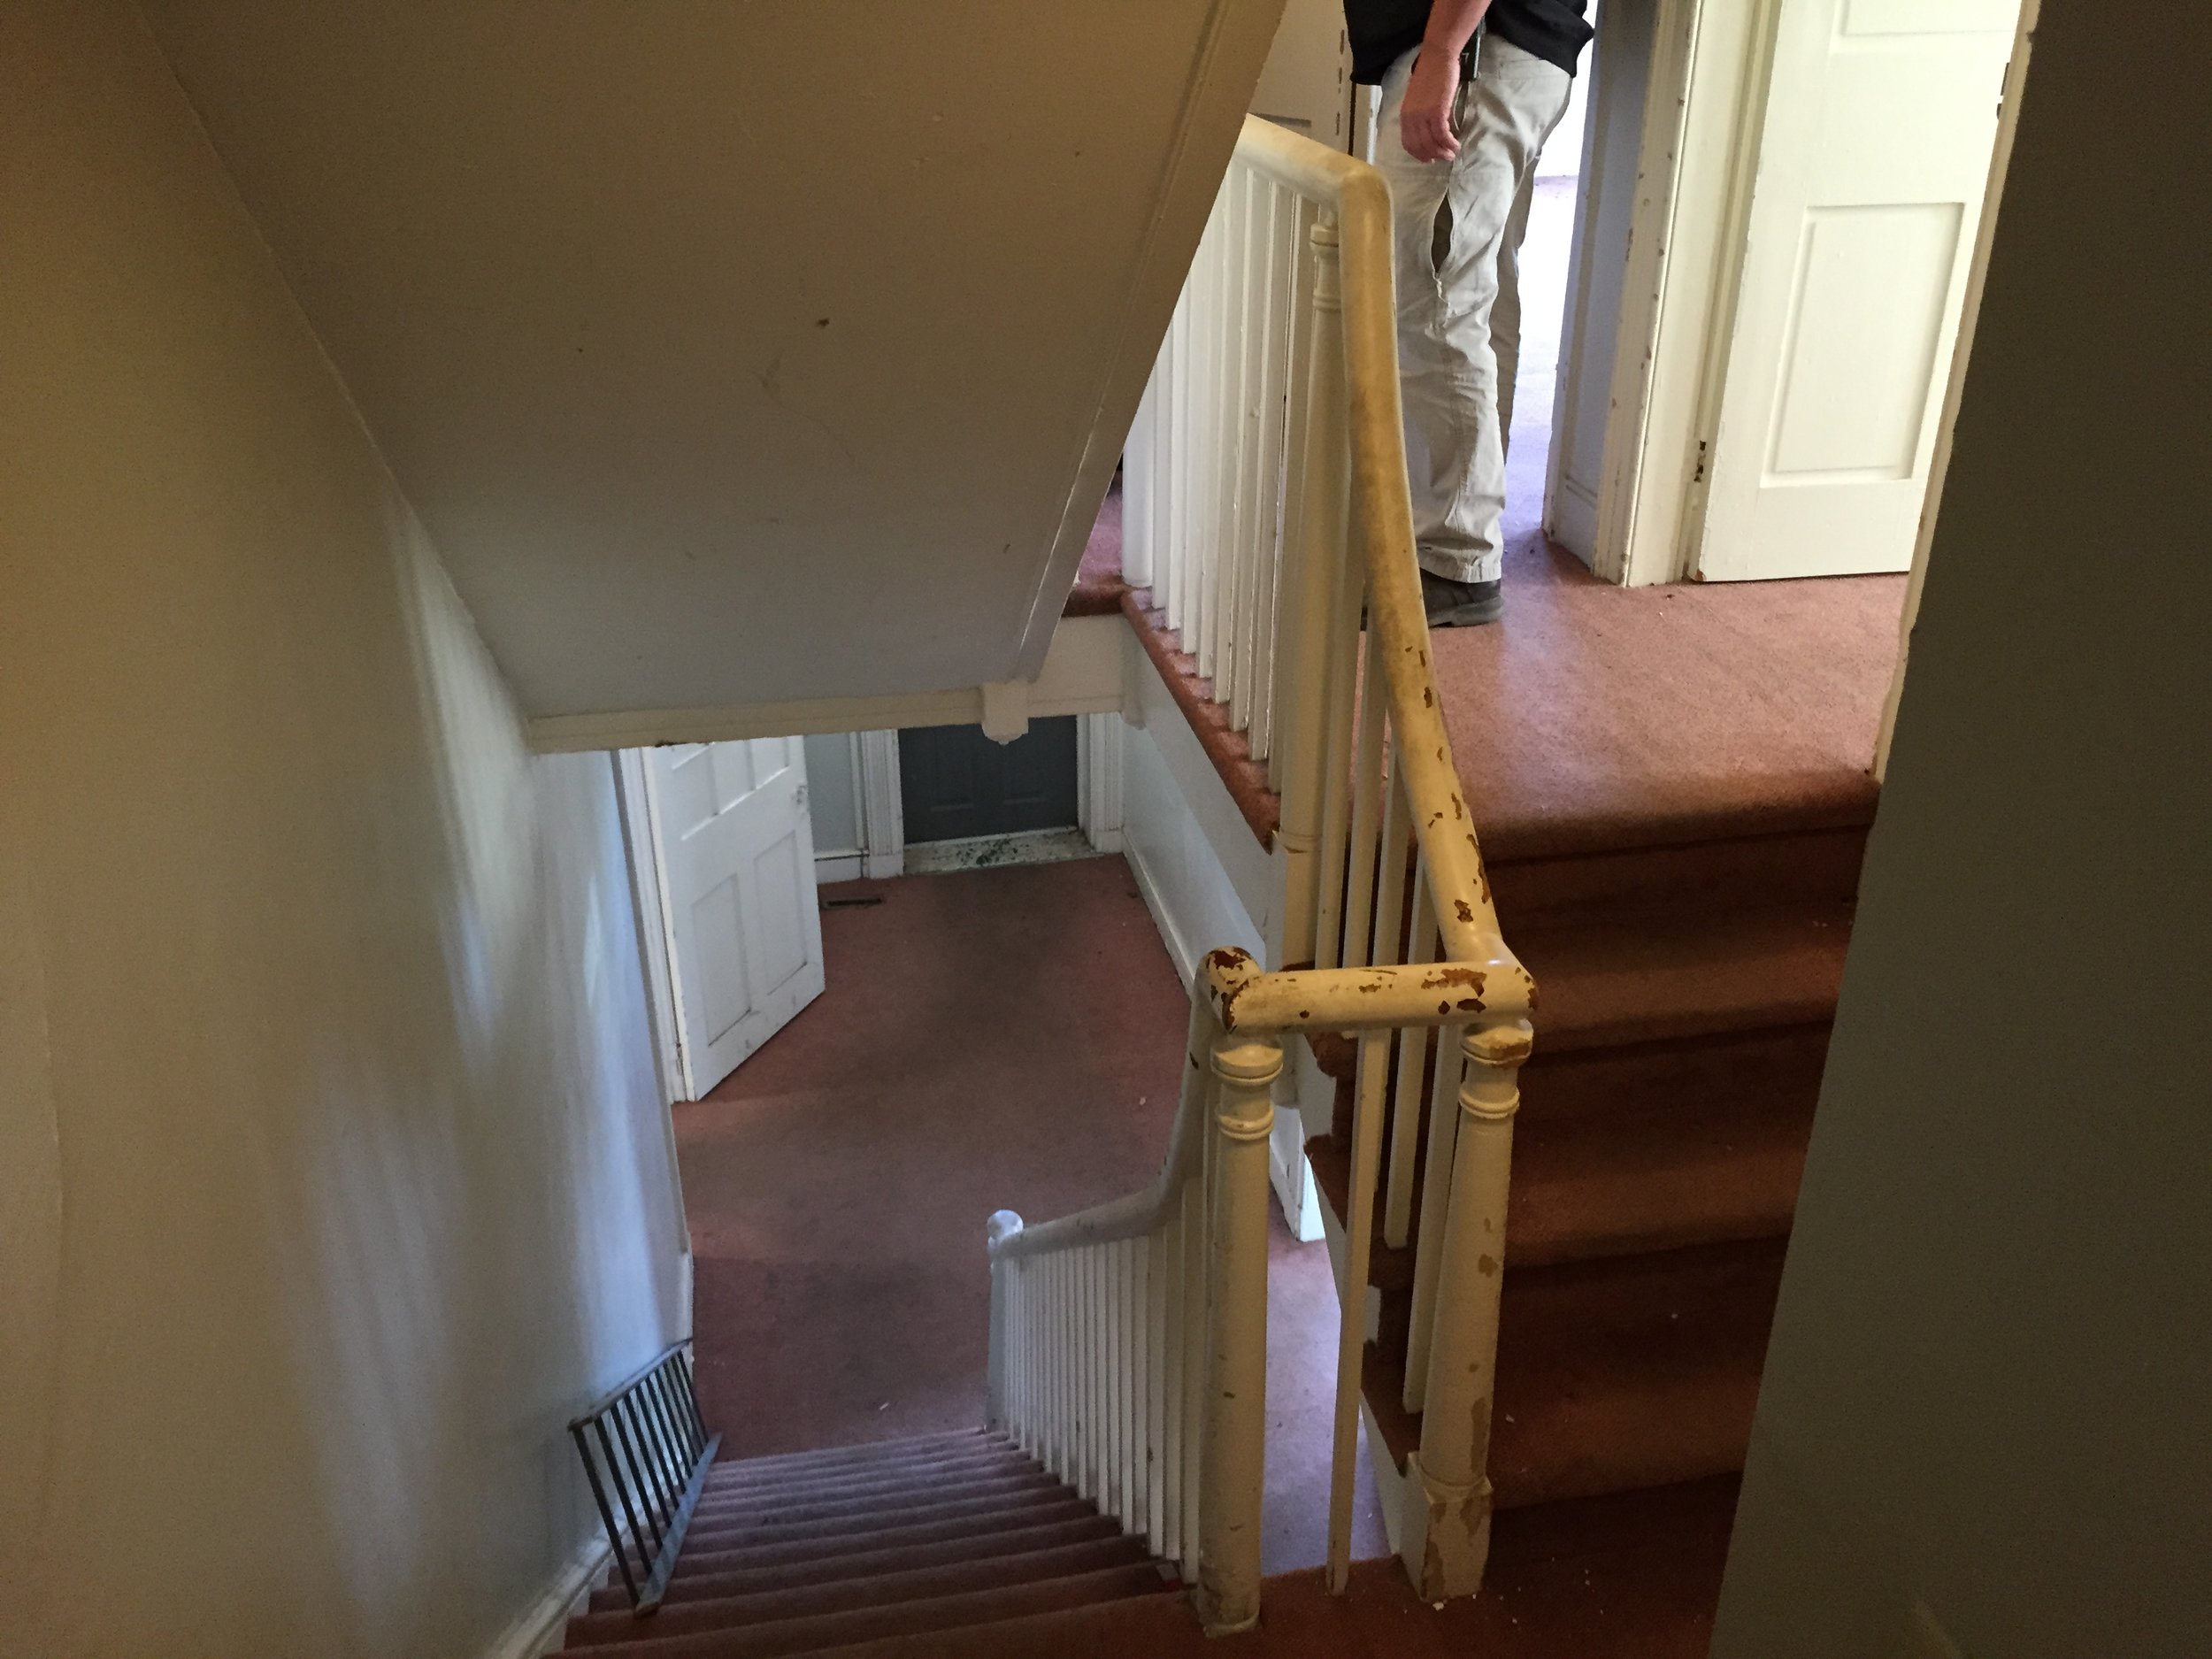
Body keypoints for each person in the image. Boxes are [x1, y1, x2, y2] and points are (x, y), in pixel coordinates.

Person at [1347, 0, 1594, 626]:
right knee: (1469, 298)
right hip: (1496, 52)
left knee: (1434, 302)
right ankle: (1460, 531)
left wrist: (1441, 52)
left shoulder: (1454, 54)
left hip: (1477, 51)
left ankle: (1454, 558)